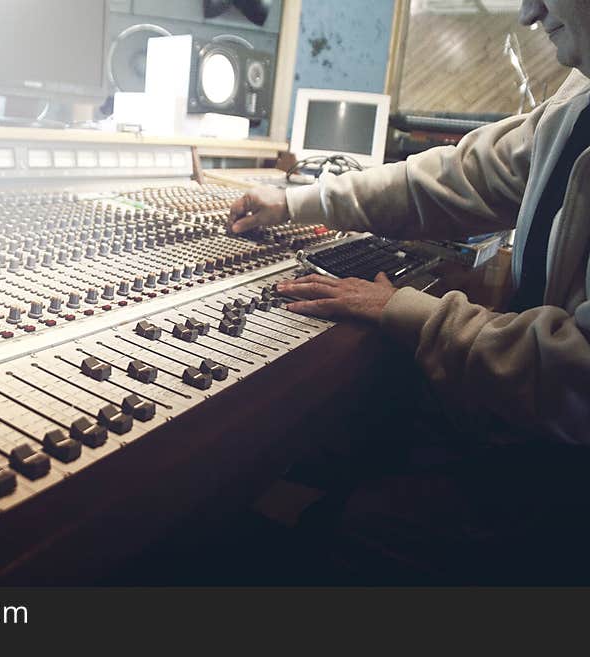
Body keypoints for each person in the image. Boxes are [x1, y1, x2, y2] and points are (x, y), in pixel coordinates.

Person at [226, 0, 590, 583]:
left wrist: (407, 310)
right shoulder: (579, 99)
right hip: (527, 433)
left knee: (349, 519)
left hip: (567, 486)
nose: (529, 11)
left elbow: (579, 379)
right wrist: (294, 203)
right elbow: (456, 178)